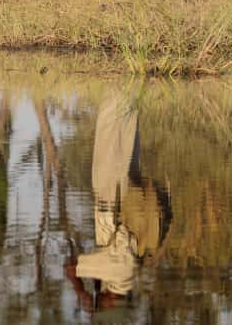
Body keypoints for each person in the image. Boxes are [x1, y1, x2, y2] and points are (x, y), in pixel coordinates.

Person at [64, 85, 172, 312]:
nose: (101, 307)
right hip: (112, 198)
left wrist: (95, 286)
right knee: (111, 133)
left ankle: (126, 85)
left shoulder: (128, 273)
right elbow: (71, 268)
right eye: (103, 309)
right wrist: (83, 295)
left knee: (124, 138)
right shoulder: (118, 274)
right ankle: (116, 85)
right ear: (112, 304)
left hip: (122, 198)